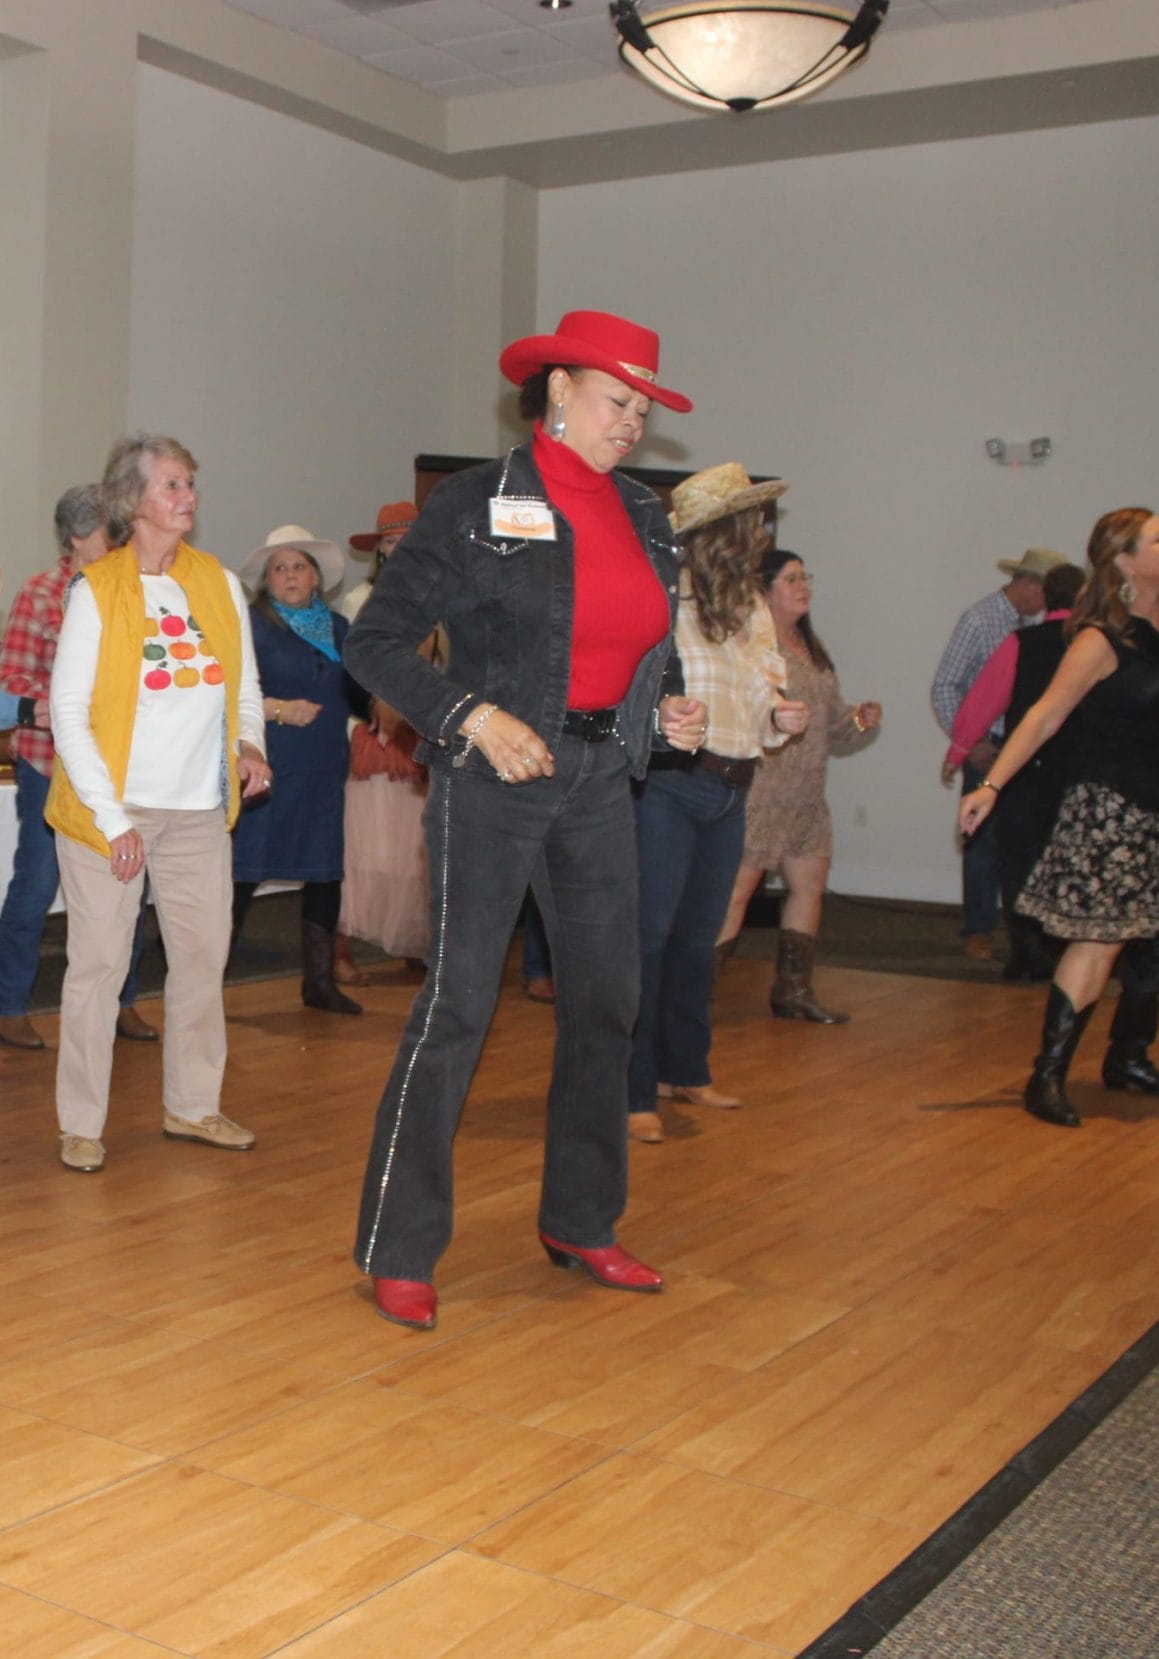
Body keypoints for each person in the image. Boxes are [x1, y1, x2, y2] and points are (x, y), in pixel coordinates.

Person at [344, 310, 708, 1331]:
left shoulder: (644, 513)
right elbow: (375, 643)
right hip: (494, 773)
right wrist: (470, 714)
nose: (631, 422)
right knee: (459, 1004)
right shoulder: (476, 502)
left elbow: (643, 643)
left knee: (607, 1001)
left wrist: (664, 708)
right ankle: (398, 1246)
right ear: (556, 389)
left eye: (642, 408)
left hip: (600, 776)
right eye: (616, 400)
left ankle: (581, 1221)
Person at [958, 508, 1159, 1128]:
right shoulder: (1100, 639)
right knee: (1100, 941)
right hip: (1114, 810)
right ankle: (1046, 1078)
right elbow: (1045, 715)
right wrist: (991, 785)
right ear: (1125, 561)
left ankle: (1129, 1059)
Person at [46, 433, 270, 1173]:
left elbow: (243, 688)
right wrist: (114, 821)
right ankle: (81, 1122)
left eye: (190, 483)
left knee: (203, 959)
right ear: (132, 500)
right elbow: (68, 713)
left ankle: (193, 1105)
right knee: (100, 966)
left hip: (199, 811)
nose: (188, 496)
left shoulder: (218, 583)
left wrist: (249, 744)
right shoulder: (97, 588)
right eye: (172, 484)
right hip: (110, 812)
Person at [627, 465, 809, 1141]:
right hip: (669, 783)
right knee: (648, 938)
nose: (760, 532)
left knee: (697, 938)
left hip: (733, 785)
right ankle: (632, 1089)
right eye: (749, 520)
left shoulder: (751, 605)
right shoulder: (659, 596)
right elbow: (633, 684)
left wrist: (778, 715)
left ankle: (686, 1069)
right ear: (717, 531)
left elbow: (762, 687)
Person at [0, 484, 158, 1052]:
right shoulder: (41, 593)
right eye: (113, 530)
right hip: (50, 764)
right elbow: (12, 680)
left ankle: (122, 1001)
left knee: (129, 887)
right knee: (36, 886)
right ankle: (9, 1007)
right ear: (79, 536)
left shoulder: (137, 588)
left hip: (127, 766)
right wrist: (75, 705)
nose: (124, 539)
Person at [717, 549, 882, 1023]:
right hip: (764, 789)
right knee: (736, 893)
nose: (803, 586)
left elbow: (832, 726)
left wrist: (858, 719)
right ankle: (694, 991)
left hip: (808, 795)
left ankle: (793, 991)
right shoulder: (754, 647)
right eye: (791, 579)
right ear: (764, 591)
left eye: (805, 577)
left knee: (809, 887)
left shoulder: (811, 648)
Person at [230, 524, 370, 1016]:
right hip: (265, 770)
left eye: (299, 567)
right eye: (279, 568)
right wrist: (278, 709)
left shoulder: (340, 629)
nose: (290, 575)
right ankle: (202, 983)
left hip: (324, 770)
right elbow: (229, 692)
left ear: (316, 577)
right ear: (266, 580)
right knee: (242, 873)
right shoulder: (249, 626)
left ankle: (319, 984)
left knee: (325, 873)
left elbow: (360, 693)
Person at [946, 563, 1088, 982]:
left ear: (1047, 598)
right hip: (1080, 770)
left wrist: (959, 750)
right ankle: (1071, 954)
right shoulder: (1097, 645)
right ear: (1083, 600)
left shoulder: (1021, 643)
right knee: (1072, 860)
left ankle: (1027, 955)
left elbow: (983, 701)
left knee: (1020, 861)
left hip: (1025, 770)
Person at [338, 501, 429, 973]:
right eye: (391, 541)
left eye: (407, 539)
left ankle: (413, 939)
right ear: (380, 550)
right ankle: (341, 947)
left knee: (415, 849)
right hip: (378, 731)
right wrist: (381, 714)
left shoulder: (440, 596)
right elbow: (354, 667)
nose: (399, 547)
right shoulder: (361, 599)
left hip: (425, 731)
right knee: (368, 847)